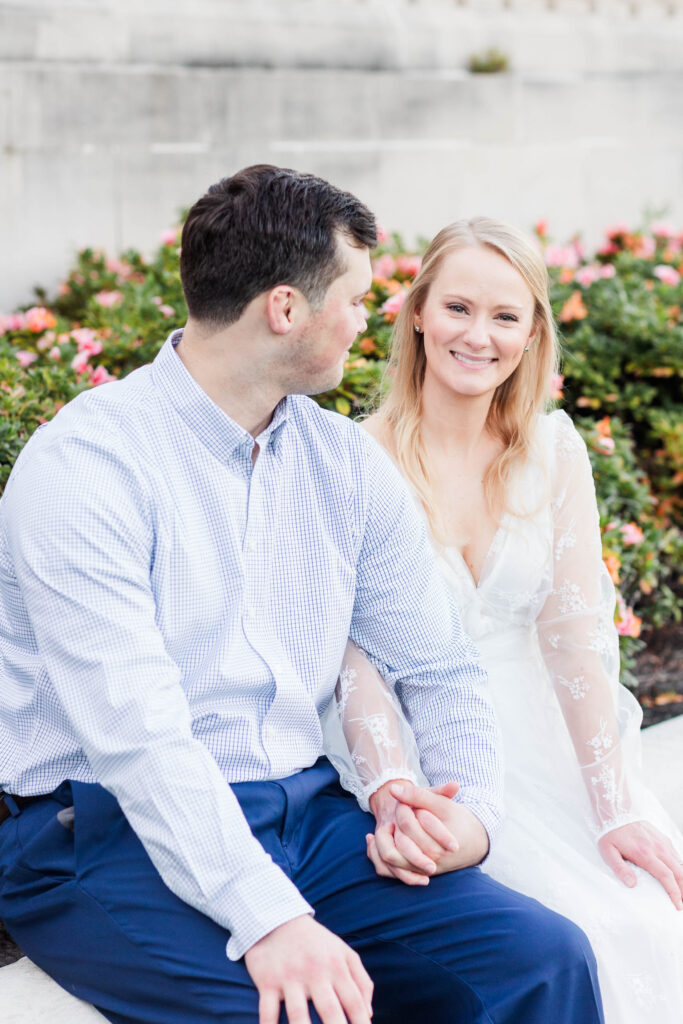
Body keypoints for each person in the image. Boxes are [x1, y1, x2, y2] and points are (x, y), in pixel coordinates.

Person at [0, 169, 604, 1024]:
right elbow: (139, 741)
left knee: (541, 960)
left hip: (303, 817)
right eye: (355, 297)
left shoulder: (343, 465)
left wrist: (470, 817)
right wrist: (270, 917)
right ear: (285, 310)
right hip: (97, 836)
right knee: (305, 1012)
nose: (369, 318)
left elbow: (437, 664)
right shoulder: (86, 469)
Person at [323, 217, 683, 1023]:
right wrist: (397, 791)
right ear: (416, 313)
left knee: (650, 920)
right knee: (573, 936)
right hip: (420, 740)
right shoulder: (353, 459)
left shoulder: (554, 452)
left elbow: (572, 640)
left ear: (530, 336)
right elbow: (353, 656)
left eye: (504, 317)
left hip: (543, 733)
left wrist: (613, 804)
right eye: (456, 307)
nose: (476, 335)